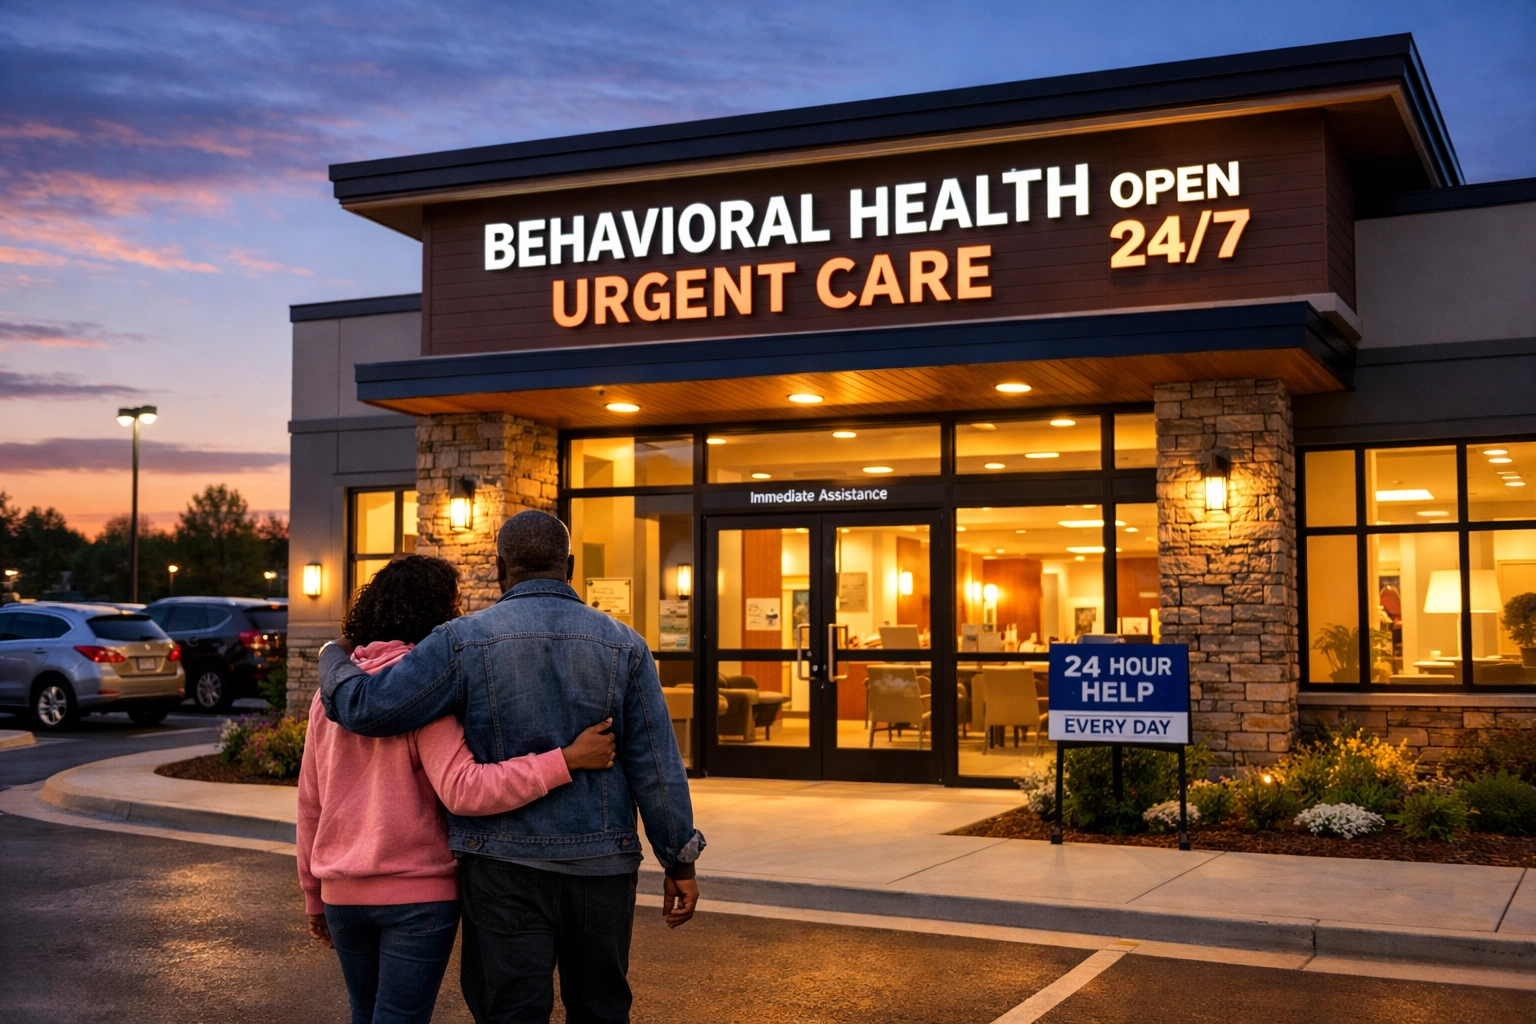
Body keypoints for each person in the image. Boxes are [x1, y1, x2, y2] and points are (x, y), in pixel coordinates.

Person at [319, 511, 703, 1024]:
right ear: (569, 565)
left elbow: (368, 708)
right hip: (601, 865)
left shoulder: (462, 642)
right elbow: (656, 762)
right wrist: (679, 859)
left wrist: (330, 657)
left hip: (501, 867)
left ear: (500, 567)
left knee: (510, 1012)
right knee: (600, 1007)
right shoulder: (625, 644)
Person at [298, 554, 618, 1024]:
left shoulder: (328, 696)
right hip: (416, 894)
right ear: (437, 615)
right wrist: (565, 760)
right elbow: (465, 789)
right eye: (455, 606)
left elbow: (310, 802)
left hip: (341, 895)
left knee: (364, 1014)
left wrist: (312, 891)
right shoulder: (426, 694)